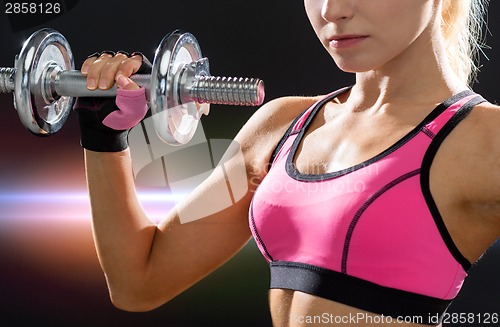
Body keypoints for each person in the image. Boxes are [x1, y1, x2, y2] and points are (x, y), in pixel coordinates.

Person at [74, 0, 499, 326]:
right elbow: (139, 282)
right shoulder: (281, 125)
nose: (333, 11)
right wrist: (103, 134)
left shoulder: (485, 139)